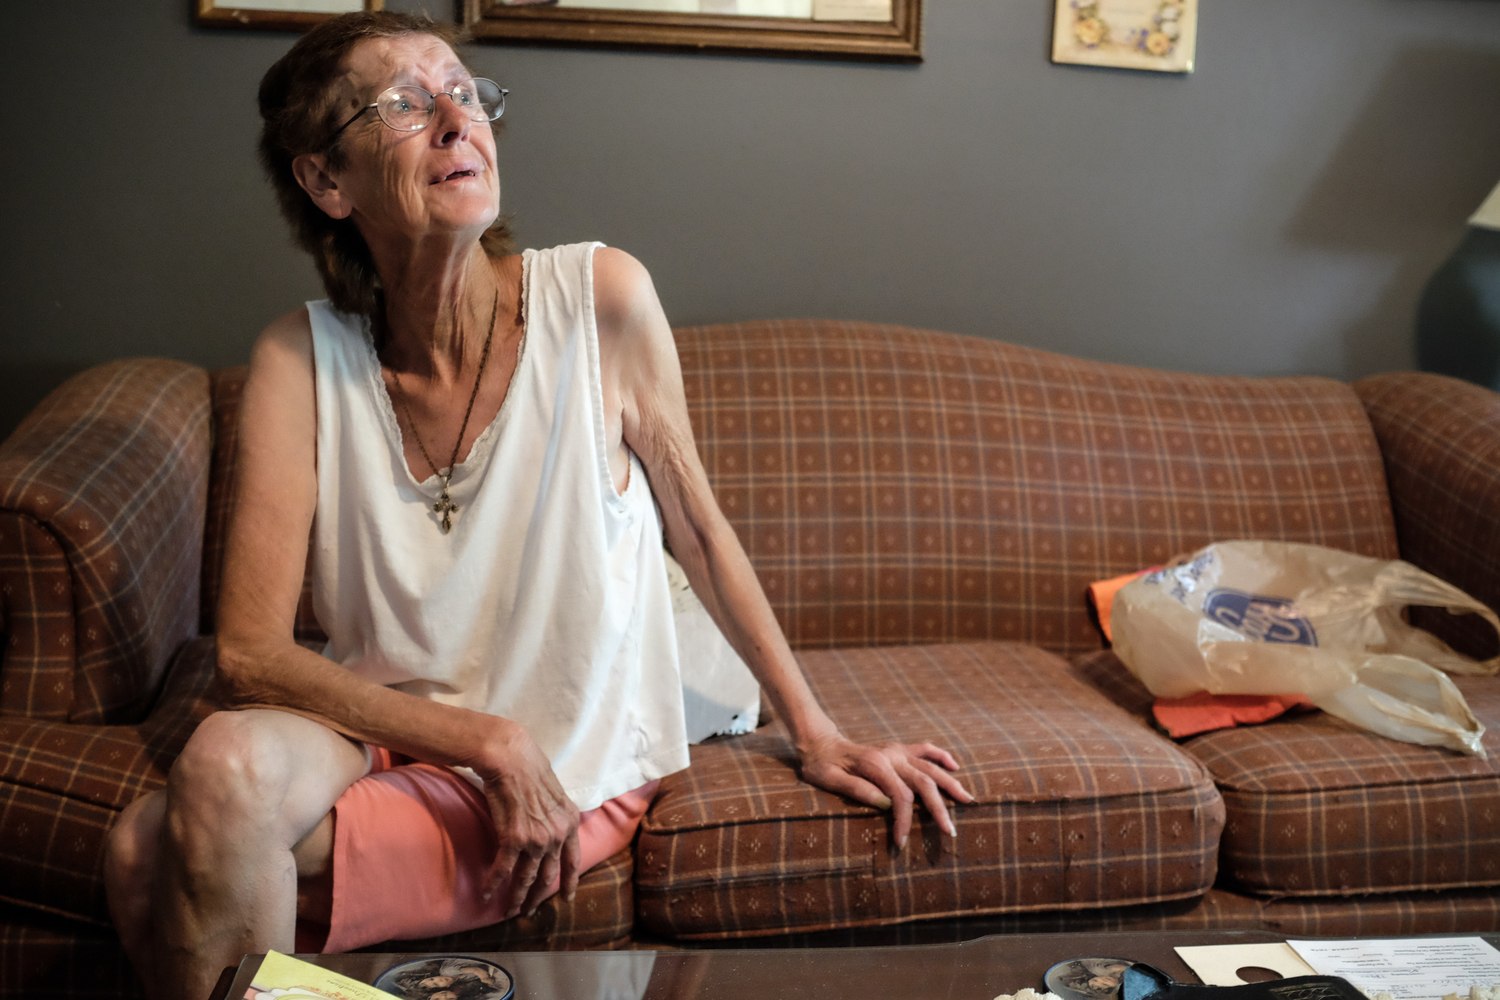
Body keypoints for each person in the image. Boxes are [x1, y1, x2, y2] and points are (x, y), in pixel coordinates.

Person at [102, 12, 972, 1000]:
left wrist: (817, 731)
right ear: (327, 181)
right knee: (217, 767)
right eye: (402, 104)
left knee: (145, 852)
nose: (455, 120)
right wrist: (488, 740)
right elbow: (252, 655)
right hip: (402, 724)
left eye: (463, 92)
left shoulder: (600, 298)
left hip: (572, 744)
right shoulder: (298, 359)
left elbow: (697, 527)